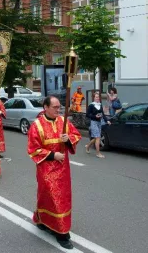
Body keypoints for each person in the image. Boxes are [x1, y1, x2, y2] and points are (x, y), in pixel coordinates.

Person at [27, 96, 81, 249]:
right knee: (51, 197)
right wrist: (53, 155)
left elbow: (76, 135)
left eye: (59, 107)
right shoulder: (37, 126)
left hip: (63, 169)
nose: (59, 110)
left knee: (63, 198)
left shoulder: (63, 122)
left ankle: (46, 222)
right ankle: (61, 233)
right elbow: (33, 149)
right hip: (46, 170)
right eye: (55, 107)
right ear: (46, 107)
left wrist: (68, 139)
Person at [85, 93, 111, 158]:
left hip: (99, 123)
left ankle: (88, 146)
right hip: (93, 123)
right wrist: (95, 116)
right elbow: (87, 115)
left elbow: (102, 114)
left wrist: (106, 120)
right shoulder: (91, 105)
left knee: (96, 138)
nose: (97, 98)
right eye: (96, 97)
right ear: (94, 98)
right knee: (98, 137)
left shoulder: (100, 105)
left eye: (98, 97)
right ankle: (98, 153)